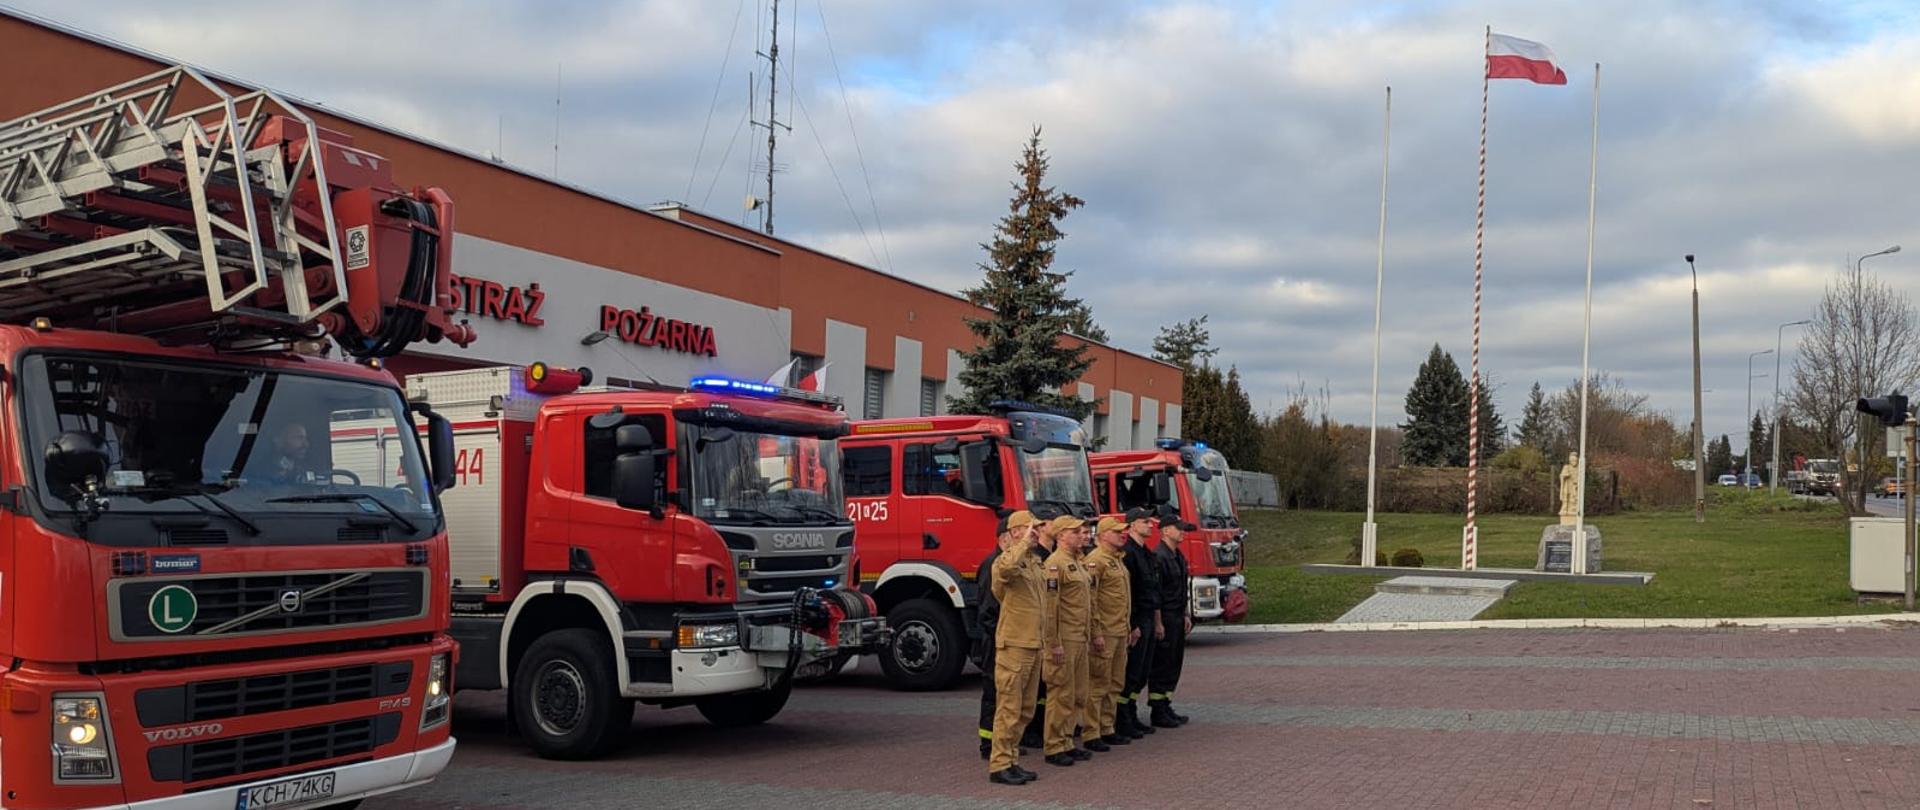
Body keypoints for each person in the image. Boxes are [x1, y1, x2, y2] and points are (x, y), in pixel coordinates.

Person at [986, 510, 1046, 786]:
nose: (1036, 532)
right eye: (1032, 527)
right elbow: (1005, 570)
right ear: (1016, 532)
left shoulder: (1034, 561)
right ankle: (999, 764)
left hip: (1033, 643)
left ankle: (1012, 760)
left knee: (1025, 709)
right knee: (1009, 708)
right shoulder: (1005, 560)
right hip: (1014, 646)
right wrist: (1021, 543)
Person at [977, 511, 1037, 759]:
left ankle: (1008, 751)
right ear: (1010, 535)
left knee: (1019, 704)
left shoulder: (1028, 561)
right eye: (1030, 529)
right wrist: (998, 638)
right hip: (1002, 640)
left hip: (1019, 639)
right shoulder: (997, 563)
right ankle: (990, 746)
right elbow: (988, 609)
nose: (1035, 533)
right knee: (999, 698)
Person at [1041, 515, 1093, 767]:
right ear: (1060, 535)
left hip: (1079, 637)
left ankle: (1067, 741)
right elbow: (1050, 609)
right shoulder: (1055, 564)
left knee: (1078, 694)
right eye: (1074, 532)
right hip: (1065, 638)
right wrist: (1054, 643)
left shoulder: (1077, 562)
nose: (1081, 535)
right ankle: (1054, 746)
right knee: (1061, 694)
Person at [1083, 515, 1134, 750]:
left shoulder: (1117, 560)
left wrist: (1128, 627)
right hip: (1105, 631)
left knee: (1115, 682)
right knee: (1098, 684)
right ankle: (1091, 732)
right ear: (1103, 535)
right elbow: (1091, 600)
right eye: (1116, 531)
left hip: (1119, 630)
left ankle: (1107, 727)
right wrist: (1096, 632)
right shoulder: (1096, 561)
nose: (1122, 535)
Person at [1149, 506, 1196, 728]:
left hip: (1177, 615)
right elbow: (1156, 593)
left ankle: (1166, 704)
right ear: (1165, 531)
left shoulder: (1178, 555)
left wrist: (1185, 614)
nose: (1182, 532)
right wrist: (1158, 622)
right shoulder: (1159, 556)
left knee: (1174, 663)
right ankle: (1157, 709)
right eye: (1179, 529)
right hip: (1166, 617)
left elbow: (1182, 588)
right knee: (1163, 663)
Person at [1118, 506, 1162, 738]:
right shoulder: (1128, 554)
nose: (1150, 525)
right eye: (1145, 521)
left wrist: (1156, 620)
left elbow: (1152, 588)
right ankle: (1122, 717)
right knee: (1131, 671)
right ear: (1132, 525)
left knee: (1142, 671)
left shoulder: (1146, 552)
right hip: (1136, 618)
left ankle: (1131, 713)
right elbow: (1128, 594)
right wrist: (1132, 624)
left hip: (1147, 616)